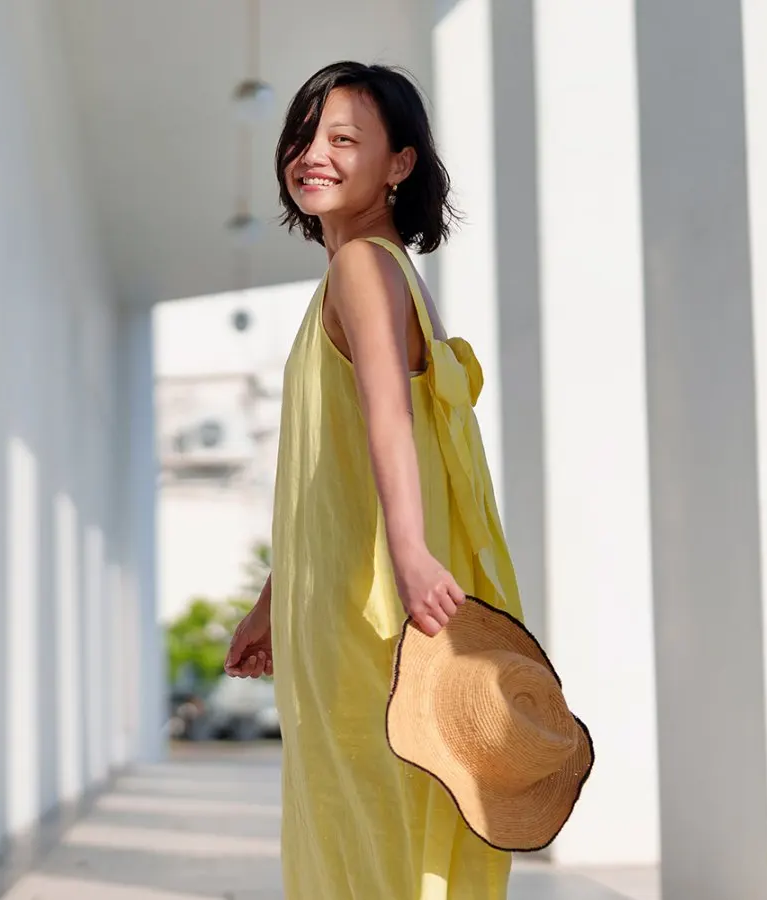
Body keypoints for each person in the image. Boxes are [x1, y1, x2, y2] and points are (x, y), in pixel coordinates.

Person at [223, 61, 526, 899]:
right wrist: (273, 597)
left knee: (364, 830)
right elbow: (336, 468)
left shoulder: (362, 267)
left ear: (400, 164)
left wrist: (411, 553)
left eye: (344, 139)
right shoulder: (386, 271)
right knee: (383, 821)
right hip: (351, 598)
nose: (312, 153)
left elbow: (390, 415)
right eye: (305, 134)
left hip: (370, 611)